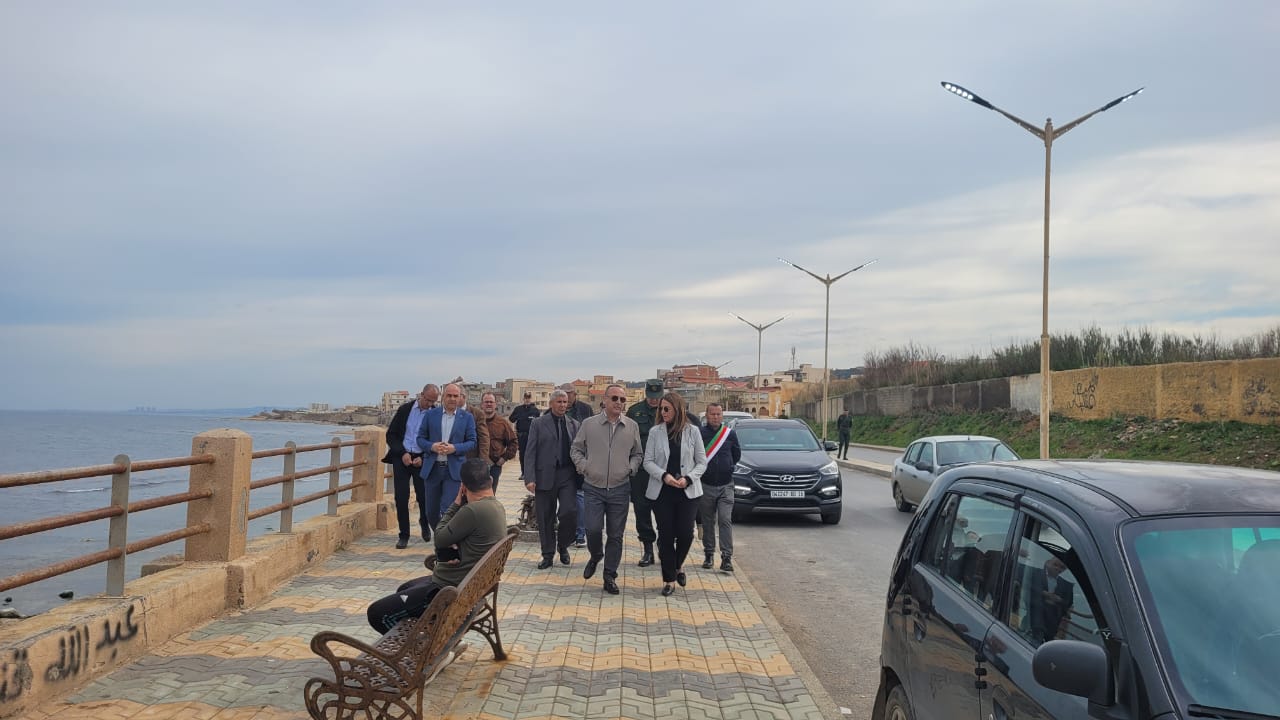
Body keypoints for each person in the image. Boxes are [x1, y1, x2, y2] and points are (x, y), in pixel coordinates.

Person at [366, 458, 507, 633]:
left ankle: (417, 646)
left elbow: (439, 537)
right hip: (469, 586)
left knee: (378, 613)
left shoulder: (472, 510)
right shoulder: (497, 507)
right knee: (405, 588)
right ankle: (428, 635)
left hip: (449, 589)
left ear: (463, 487)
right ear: (490, 481)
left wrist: (456, 504)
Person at [570, 383, 643, 595]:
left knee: (615, 534)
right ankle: (595, 555)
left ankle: (609, 575)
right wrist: (584, 467)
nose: (619, 402)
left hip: (620, 488)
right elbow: (576, 449)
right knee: (593, 529)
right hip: (593, 487)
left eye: (622, 399)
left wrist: (631, 468)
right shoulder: (589, 424)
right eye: (615, 398)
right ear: (604, 400)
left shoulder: (631, 426)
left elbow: (637, 454)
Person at [643, 393, 707, 596]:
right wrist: (664, 476)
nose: (662, 412)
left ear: (677, 410)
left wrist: (688, 478)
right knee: (666, 535)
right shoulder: (655, 432)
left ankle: (678, 565)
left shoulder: (693, 431)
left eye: (667, 409)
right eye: (661, 409)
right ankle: (669, 579)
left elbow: (702, 462)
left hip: (687, 491)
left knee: (686, 534)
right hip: (663, 491)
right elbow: (647, 462)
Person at [524, 390, 582, 569]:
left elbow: (580, 450)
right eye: (559, 402)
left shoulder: (574, 424)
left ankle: (563, 545)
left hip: (567, 475)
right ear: (551, 404)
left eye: (565, 402)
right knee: (545, 517)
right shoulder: (538, 424)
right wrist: (529, 478)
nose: (563, 405)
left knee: (569, 512)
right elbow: (530, 451)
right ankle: (547, 554)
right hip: (544, 476)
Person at [416, 383, 478, 532]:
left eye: (455, 396)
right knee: (431, 512)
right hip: (433, 469)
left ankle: (445, 542)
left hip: (453, 471)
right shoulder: (431, 415)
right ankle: (441, 536)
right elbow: (420, 439)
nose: (452, 399)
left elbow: (472, 442)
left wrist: (454, 448)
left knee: (448, 510)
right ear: (443, 397)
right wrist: (432, 446)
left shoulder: (467, 418)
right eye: (449, 395)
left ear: (460, 397)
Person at [382, 384, 438, 548]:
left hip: (421, 459)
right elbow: (391, 435)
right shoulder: (405, 410)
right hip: (402, 457)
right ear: (421, 395)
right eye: (427, 400)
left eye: (433, 401)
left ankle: (424, 522)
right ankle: (404, 534)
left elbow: (436, 440)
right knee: (401, 497)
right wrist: (402, 453)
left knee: (424, 496)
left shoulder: (434, 414)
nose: (429, 404)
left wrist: (423, 457)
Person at [625, 379, 668, 567]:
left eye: (657, 397)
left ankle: (664, 548)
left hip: (663, 471)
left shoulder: (668, 410)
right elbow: (626, 440)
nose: (654, 400)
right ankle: (648, 550)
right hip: (641, 472)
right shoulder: (634, 412)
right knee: (642, 511)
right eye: (651, 397)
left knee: (664, 511)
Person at [699, 403, 742, 572]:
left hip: (726, 485)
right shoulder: (700, 434)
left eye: (718, 414)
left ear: (722, 416)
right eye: (712, 414)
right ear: (707, 415)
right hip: (706, 485)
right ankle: (709, 554)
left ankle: (726, 557)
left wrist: (727, 466)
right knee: (708, 521)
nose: (715, 417)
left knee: (725, 519)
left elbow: (736, 455)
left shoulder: (730, 434)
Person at [561, 384, 593, 548]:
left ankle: (580, 534)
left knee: (580, 496)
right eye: (563, 395)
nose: (566, 398)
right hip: (561, 461)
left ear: (574, 395)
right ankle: (567, 533)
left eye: (569, 394)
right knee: (565, 500)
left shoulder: (585, 409)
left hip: (580, 459)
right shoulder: (555, 409)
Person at [1028, 556, 1075, 644]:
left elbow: (1068, 602)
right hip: (1033, 619)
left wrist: (1058, 600)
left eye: (1062, 567)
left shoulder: (1067, 585)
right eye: (1055, 564)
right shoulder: (1035, 573)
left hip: (1052, 625)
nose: (1058, 568)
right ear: (1047, 563)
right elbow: (1027, 587)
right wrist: (1043, 594)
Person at [479, 391, 519, 493]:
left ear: (495, 404)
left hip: (494, 466)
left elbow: (513, 442)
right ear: (482, 404)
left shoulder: (502, 423)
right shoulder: (475, 421)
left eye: (491, 402)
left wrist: (504, 458)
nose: (489, 404)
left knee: (490, 495)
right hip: (477, 466)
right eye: (486, 402)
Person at [508, 392, 541, 477]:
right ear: (523, 399)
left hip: (532, 436)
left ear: (531, 399)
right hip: (521, 436)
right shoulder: (518, 409)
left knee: (532, 454)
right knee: (522, 455)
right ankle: (523, 473)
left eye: (528, 398)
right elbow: (511, 419)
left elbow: (539, 424)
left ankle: (531, 473)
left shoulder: (535, 410)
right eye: (526, 398)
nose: (527, 400)